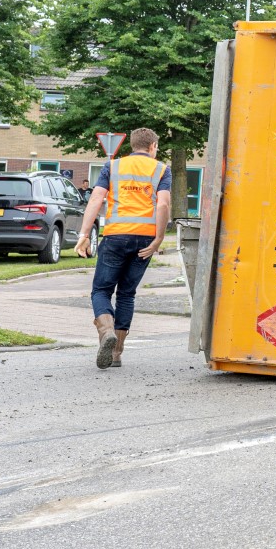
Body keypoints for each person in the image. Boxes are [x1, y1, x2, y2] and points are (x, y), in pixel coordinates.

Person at [74, 128, 171, 369]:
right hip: (144, 240)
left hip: (116, 236)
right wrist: (158, 239)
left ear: (133, 145)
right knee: (127, 294)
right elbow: (164, 204)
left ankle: (106, 330)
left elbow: (96, 199)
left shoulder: (114, 166)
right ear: (153, 146)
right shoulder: (162, 169)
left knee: (101, 290)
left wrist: (84, 235)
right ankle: (116, 352)